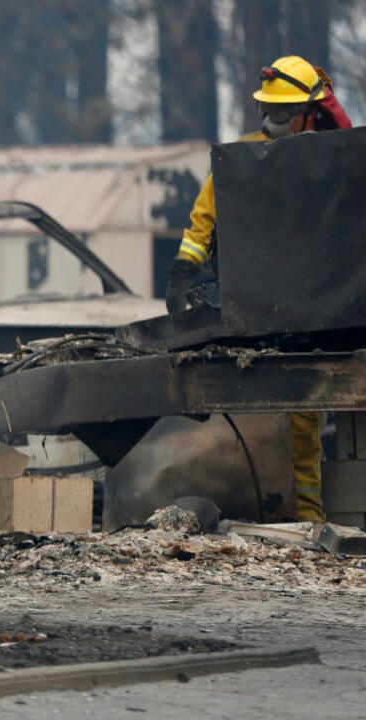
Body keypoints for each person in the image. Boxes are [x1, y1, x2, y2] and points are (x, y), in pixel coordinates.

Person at [164, 55, 352, 522]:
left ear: (310, 112)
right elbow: (203, 219)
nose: (273, 122)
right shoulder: (242, 158)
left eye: (283, 113)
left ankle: (309, 523)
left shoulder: (336, 158)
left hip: (318, 317)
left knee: (305, 429)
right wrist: (184, 268)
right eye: (267, 111)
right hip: (260, 311)